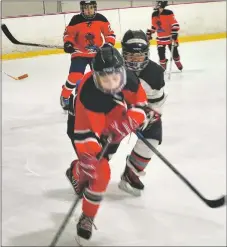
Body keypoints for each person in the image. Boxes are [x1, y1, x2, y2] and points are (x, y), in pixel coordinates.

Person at [65, 46, 163, 241]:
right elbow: (85, 133)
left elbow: (140, 106)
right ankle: (78, 178)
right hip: (83, 128)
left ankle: (83, 197)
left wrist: (130, 121)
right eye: (105, 79)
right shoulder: (88, 94)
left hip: (112, 117)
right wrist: (89, 156)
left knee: (98, 170)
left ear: (122, 72)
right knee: (98, 172)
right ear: (95, 76)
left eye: (115, 78)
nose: (111, 84)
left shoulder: (130, 79)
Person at [119, 29, 167, 196]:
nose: (135, 60)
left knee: (153, 136)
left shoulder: (155, 74)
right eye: (131, 56)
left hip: (139, 113)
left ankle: (131, 173)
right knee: (103, 144)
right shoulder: (114, 70)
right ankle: (88, 173)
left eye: (139, 56)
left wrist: (149, 115)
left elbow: (156, 102)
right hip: (116, 115)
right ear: (123, 54)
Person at [60, 0, 116, 111]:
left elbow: (110, 34)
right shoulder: (76, 20)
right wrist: (68, 43)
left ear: (94, 7)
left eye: (91, 7)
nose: (88, 10)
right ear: (82, 9)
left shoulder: (101, 19)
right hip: (79, 52)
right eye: (86, 8)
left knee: (100, 77)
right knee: (75, 76)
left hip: (96, 53)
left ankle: (101, 97)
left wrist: (108, 45)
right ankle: (64, 96)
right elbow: (68, 35)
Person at [146, 1, 183, 71]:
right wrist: (150, 32)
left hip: (170, 38)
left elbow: (175, 24)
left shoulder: (169, 13)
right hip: (160, 39)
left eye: (157, 3)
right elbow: (154, 26)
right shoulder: (154, 14)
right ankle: (163, 64)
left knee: (174, 52)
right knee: (161, 53)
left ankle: (177, 61)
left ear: (161, 5)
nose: (155, 5)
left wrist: (174, 32)